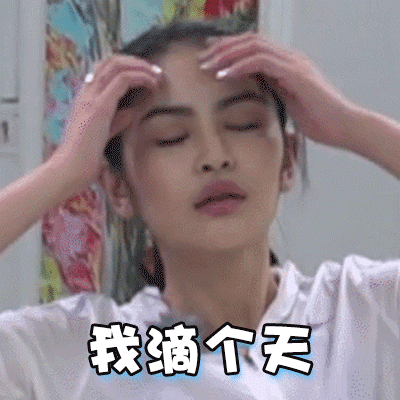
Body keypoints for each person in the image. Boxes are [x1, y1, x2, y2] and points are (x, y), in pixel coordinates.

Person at [0, 19, 399, 400]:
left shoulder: (366, 313)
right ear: (119, 187)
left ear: (288, 160)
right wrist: (63, 171)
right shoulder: (77, 356)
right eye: (171, 137)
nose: (214, 156)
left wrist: (352, 124)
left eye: (243, 124)